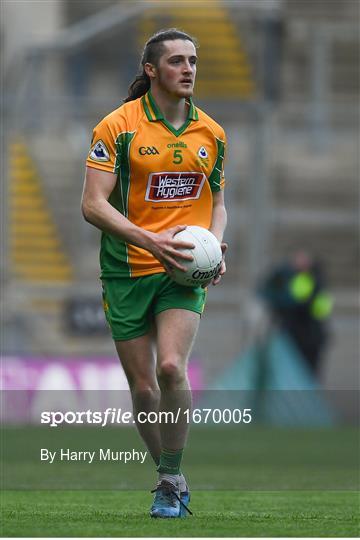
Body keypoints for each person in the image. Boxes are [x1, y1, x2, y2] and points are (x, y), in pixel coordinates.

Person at [81, 29, 228, 518]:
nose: (188, 69)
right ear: (151, 70)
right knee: (143, 388)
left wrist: (212, 246)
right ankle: (169, 471)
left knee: (170, 368)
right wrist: (150, 242)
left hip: (182, 273)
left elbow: (219, 203)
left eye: (193, 60)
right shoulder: (117, 127)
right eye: (176, 61)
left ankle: (170, 477)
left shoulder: (212, 133)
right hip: (125, 270)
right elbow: (92, 205)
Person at [259, 251, 333, 376]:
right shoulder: (302, 278)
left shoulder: (307, 280)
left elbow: (295, 304)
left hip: (306, 335)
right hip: (302, 335)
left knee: (304, 372)